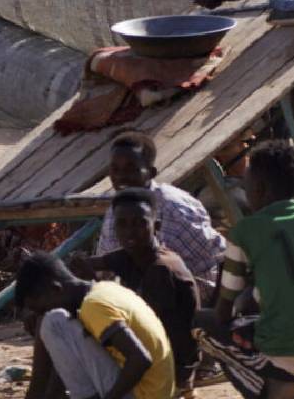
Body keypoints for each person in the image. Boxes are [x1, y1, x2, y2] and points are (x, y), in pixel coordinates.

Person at [196, 141, 294, 399]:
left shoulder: (245, 232)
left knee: (201, 324)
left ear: (259, 189)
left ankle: (276, 388)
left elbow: (224, 310)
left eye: (245, 185)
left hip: (286, 354)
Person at [73, 188, 200, 394]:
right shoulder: (132, 254)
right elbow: (83, 265)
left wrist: (95, 286)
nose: (130, 231)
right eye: (122, 224)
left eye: (139, 223)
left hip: (172, 367)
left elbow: (148, 328)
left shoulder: (160, 268)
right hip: (156, 356)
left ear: (155, 227)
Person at [17, 251, 175, 399]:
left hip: (144, 394)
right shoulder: (104, 289)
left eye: (41, 309)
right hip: (156, 390)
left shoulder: (93, 306)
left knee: (52, 323)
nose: (40, 316)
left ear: (55, 289)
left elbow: (140, 359)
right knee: (57, 324)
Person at [95, 134, 224, 290]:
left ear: (151, 172)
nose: (121, 176)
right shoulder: (116, 208)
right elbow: (106, 269)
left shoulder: (175, 208)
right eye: (115, 169)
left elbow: (214, 260)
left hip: (190, 295)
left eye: (131, 169)